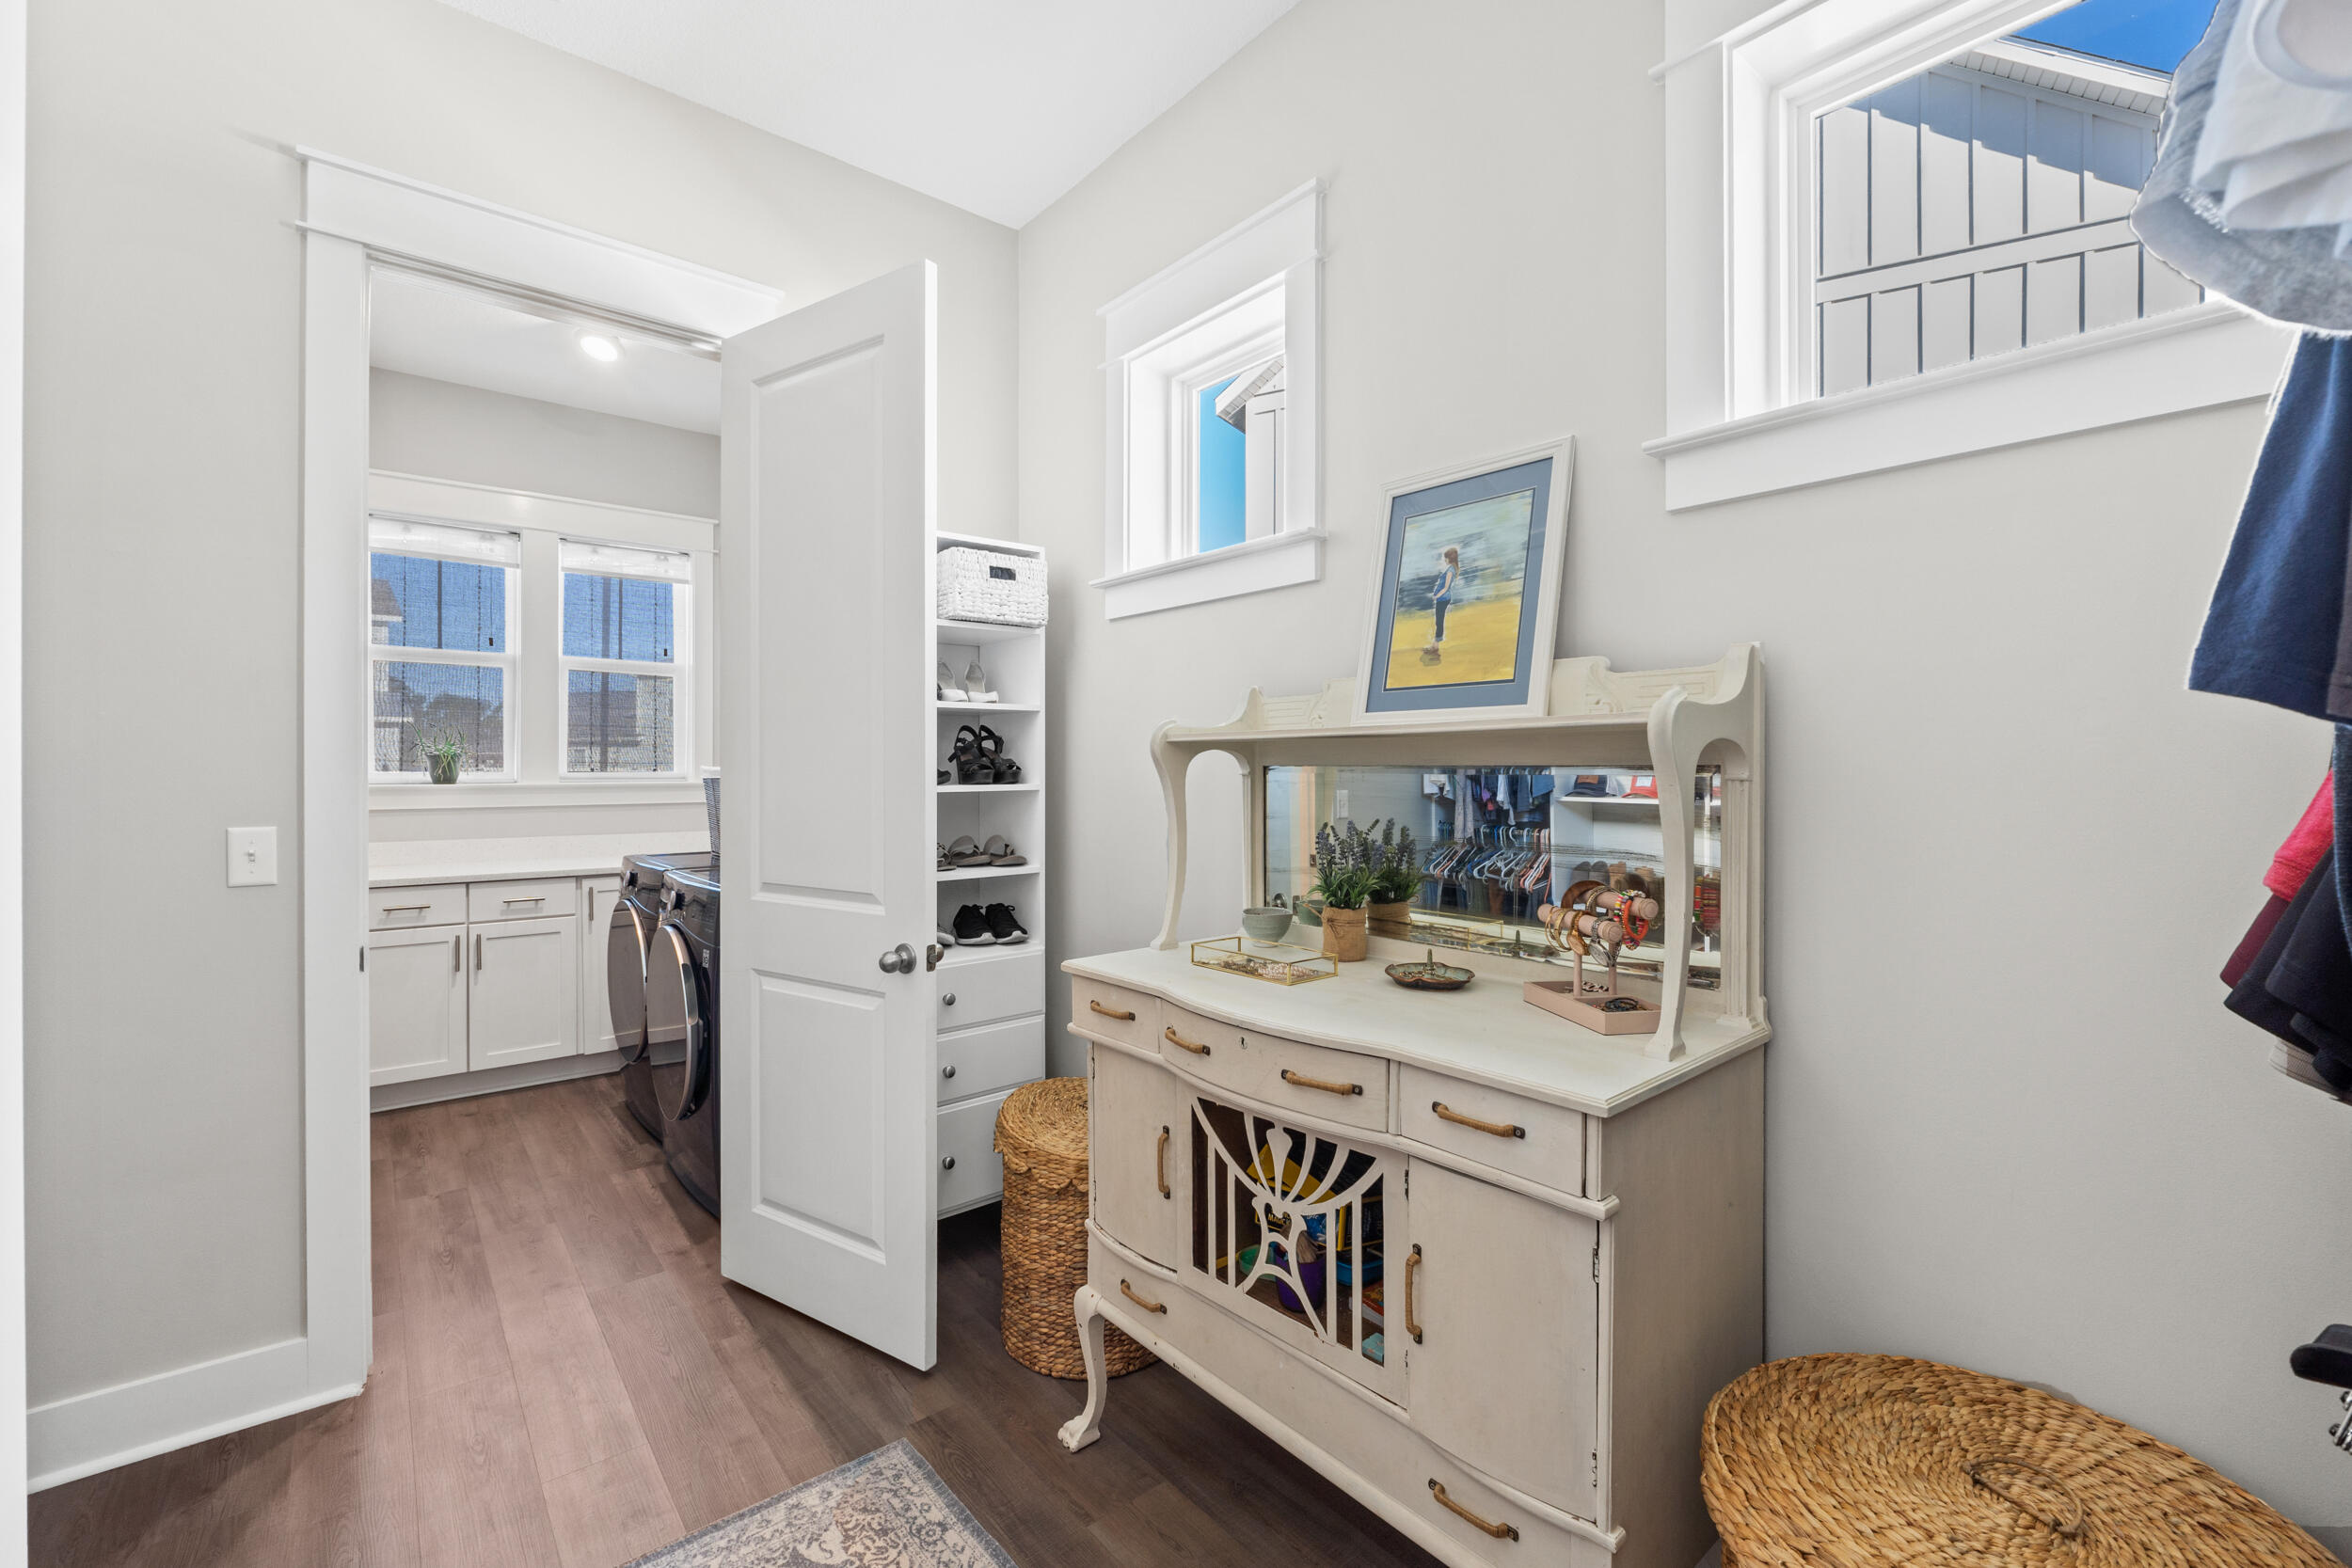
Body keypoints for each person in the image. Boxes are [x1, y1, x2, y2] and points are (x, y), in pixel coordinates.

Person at [1422, 546, 1459, 661]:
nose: (1444, 560)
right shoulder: (1451, 569)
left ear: (1449, 558)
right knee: (1438, 622)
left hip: (1442, 599)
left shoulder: (1450, 571)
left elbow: (1446, 587)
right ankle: (1434, 645)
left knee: (1439, 622)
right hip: (1442, 599)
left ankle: (1435, 648)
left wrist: (1436, 596)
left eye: (1446, 558)